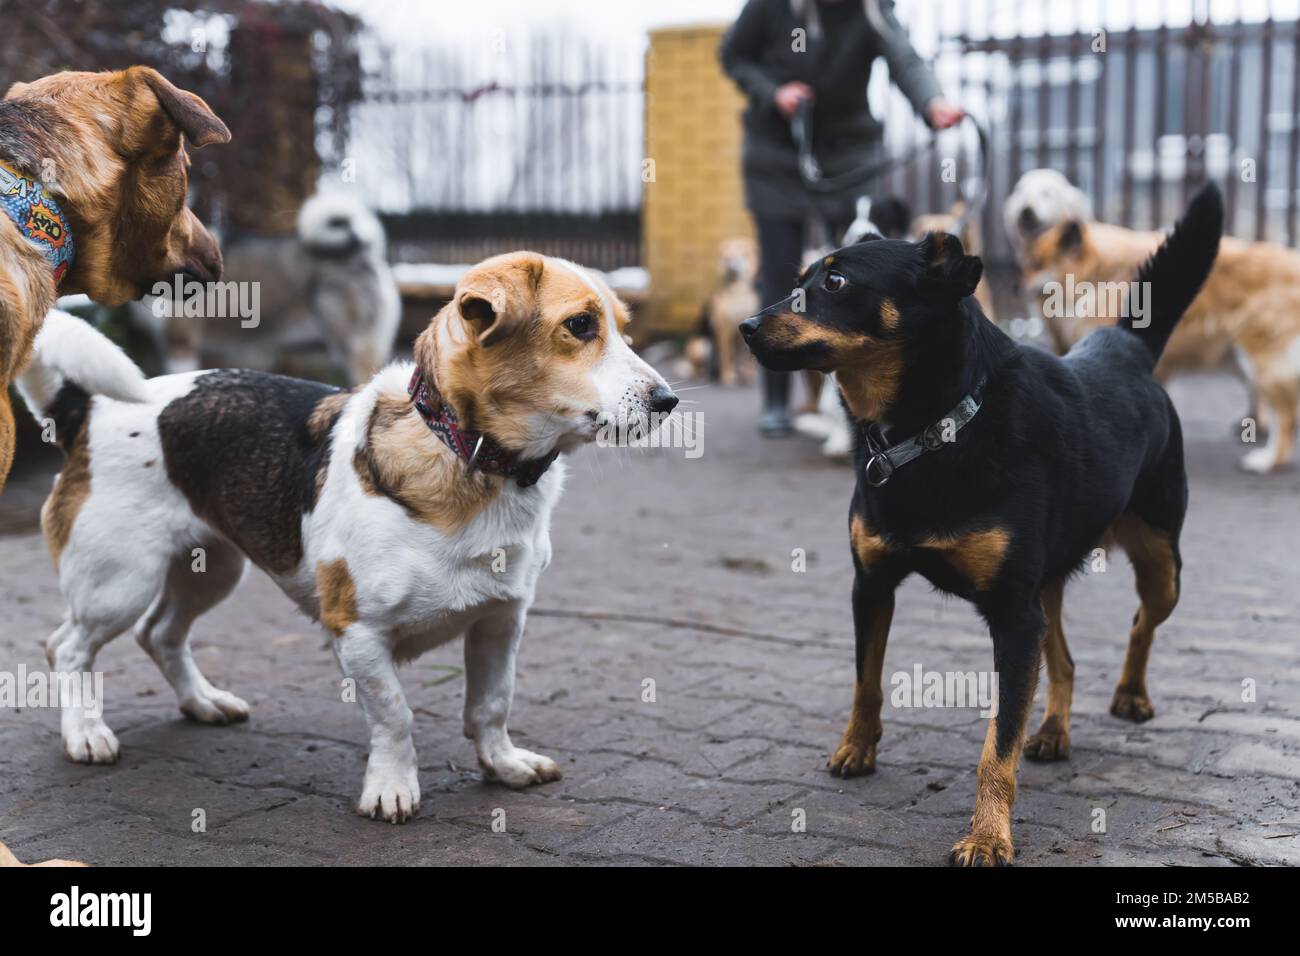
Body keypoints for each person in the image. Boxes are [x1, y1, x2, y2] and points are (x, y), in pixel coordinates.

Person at [720, 0, 964, 436]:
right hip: (777, 153)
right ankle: (777, 398)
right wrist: (773, 91)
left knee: (859, 274)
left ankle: (868, 404)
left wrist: (932, 102)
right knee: (781, 273)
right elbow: (733, 55)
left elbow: (904, 58)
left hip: (851, 152)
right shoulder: (769, 8)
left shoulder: (871, 10)